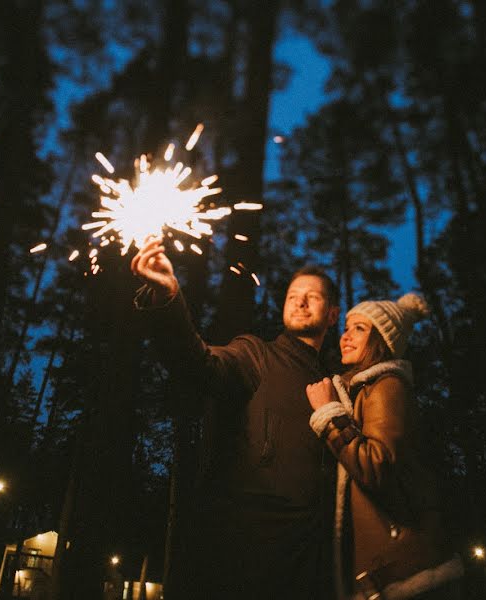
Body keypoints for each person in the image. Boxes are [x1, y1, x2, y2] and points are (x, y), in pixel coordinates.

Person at [130, 237, 340, 599]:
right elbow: (197, 365)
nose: (301, 302)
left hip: (306, 572)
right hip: (241, 565)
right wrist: (167, 299)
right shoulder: (256, 355)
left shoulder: (335, 387)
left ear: (333, 314)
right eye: (293, 296)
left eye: (313, 296)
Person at [306, 294, 464, 600]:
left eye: (360, 329)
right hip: (394, 574)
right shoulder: (360, 390)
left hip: (410, 577)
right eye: (346, 327)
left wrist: (329, 416)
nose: (346, 335)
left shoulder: (386, 384)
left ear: (381, 340)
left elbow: (376, 464)